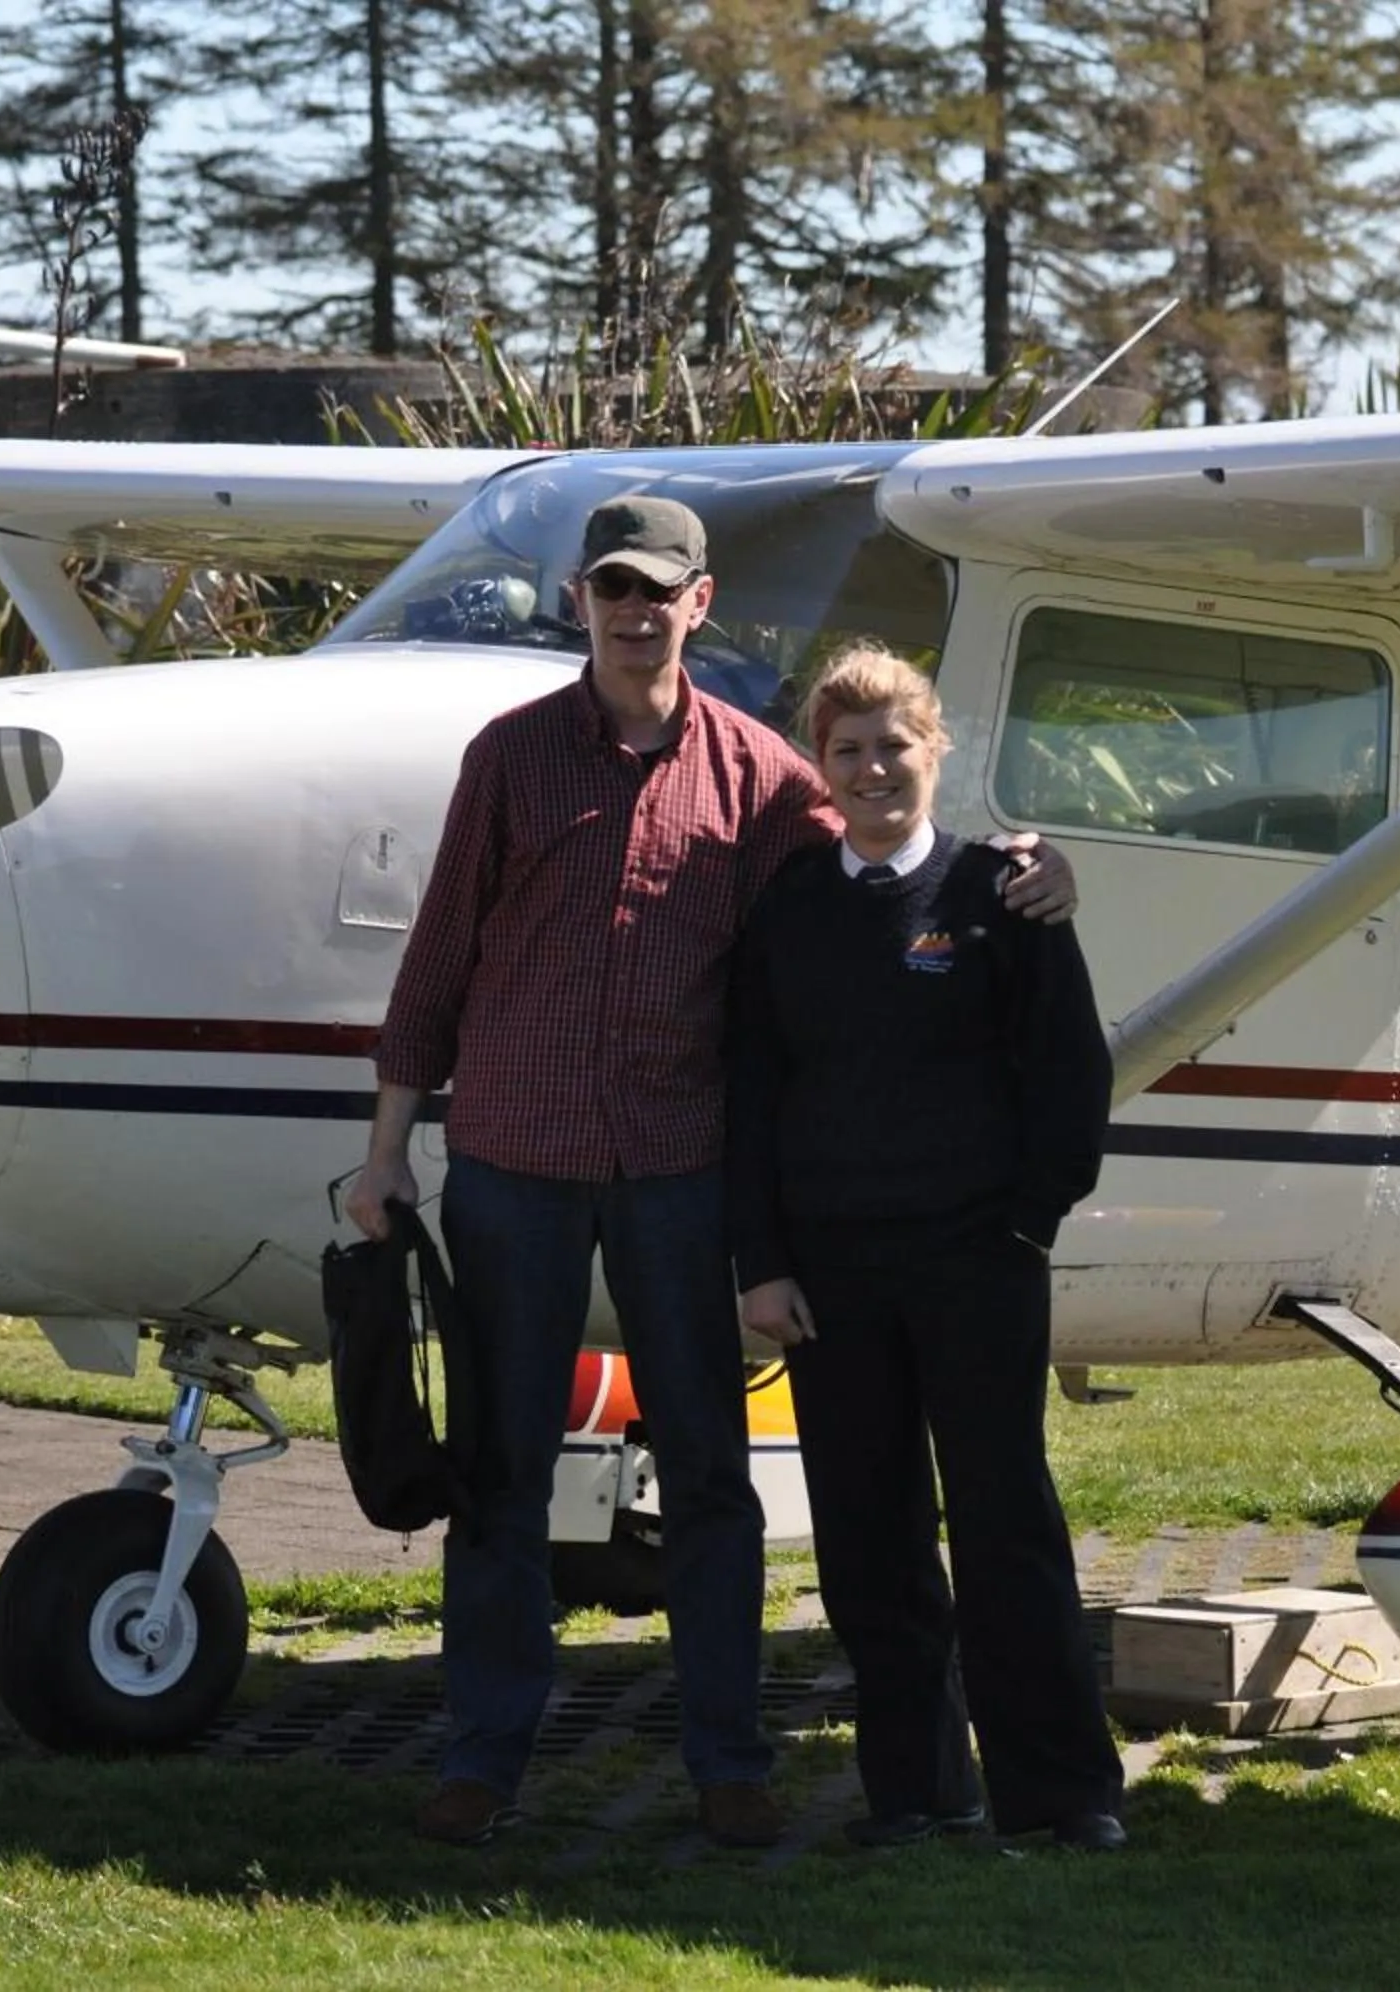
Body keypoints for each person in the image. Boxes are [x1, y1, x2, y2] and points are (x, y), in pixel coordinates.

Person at [349, 497, 1075, 1851]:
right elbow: (439, 958)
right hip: (516, 1160)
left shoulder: (756, 775)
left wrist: (1026, 867)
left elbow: (888, 838)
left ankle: (728, 1763)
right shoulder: (508, 762)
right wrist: (387, 1150)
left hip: (681, 1170)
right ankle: (482, 1759)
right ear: (583, 600)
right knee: (501, 1472)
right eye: (613, 587)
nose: (635, 611)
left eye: (659, 591)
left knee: (710, 1472)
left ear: (701, 604)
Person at [727, 647, 1127, 1854]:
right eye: (846, 751)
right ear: (822, 770)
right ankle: (915, 1791)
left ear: (934, 748)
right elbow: (752, 1097)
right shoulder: (789, 911)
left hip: (977, 1262)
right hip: (832, 1279)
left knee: (1006, 1522)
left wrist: (1027, 1222)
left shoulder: (1002, 893)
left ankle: (1060, 1799)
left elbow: (1071, 1074)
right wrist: (764, 1262)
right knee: (867, 1534)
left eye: (892, 744)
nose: (872, 769)